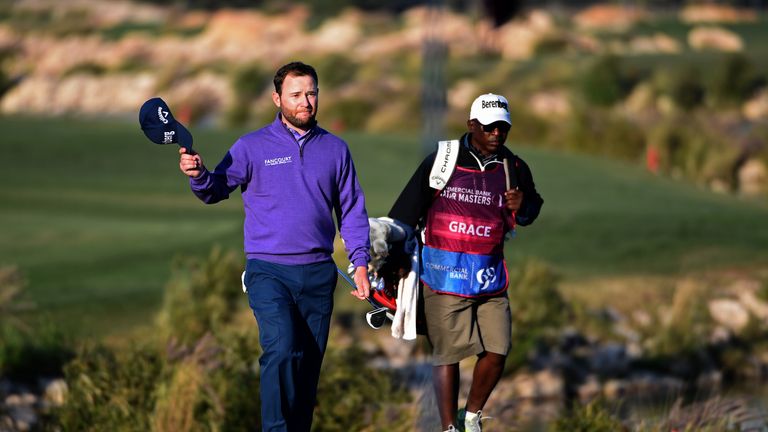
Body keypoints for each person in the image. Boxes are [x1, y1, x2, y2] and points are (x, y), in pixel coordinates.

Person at [178, 61, 371, 432]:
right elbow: (215, 189)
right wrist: (199, 175)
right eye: (296, 95)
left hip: (319, 274)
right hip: (269, 271)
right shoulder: (251, 147)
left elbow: (351, 211)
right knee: (281, 349)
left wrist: (360, 263)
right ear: (277, 99)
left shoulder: (336, 149)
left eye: (311, 93)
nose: (305, 102)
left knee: (306, 369)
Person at [388, 93, 543, 432]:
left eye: (502, 128)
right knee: (448, 353)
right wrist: (396, 261)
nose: (496, 134)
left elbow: (531, 210)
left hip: (489, 277)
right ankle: (449, 428)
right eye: (489, 127)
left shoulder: (514, 167)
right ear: (472, 125)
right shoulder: (442, 160)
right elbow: (405, 212)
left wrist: (524, 204)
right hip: (442, 273)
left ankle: (470, 417)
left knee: (498, 350)